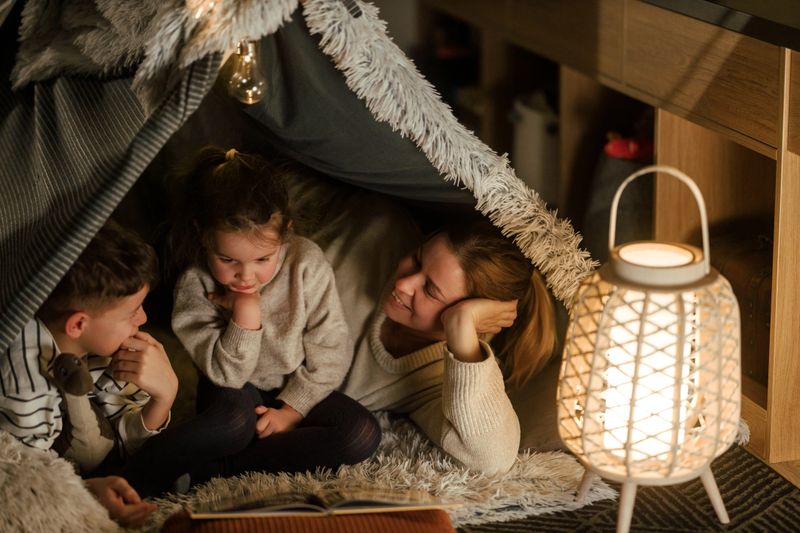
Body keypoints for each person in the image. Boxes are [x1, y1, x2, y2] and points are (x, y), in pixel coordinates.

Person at [119, 146, 380, 496]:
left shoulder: (307, 263)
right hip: (233, 388)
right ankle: (133, 476)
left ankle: (220, 469)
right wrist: (245, 312)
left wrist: (292, 409)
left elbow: (331, 346)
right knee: (233, 424)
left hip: (294, 383)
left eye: (262, 259)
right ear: (203, 236)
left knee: (361, 432)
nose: (246, 275)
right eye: (227, 259)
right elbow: (228, 374)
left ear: (285, 232)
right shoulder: (196, 283)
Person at [289, 176, 556, 475]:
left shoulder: (440, 377)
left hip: (275, 405)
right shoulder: (376, 228)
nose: (403, 284)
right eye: (417, 259)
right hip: (242, 347)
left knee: (355, 435)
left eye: (430, 290)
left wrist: (461, 328)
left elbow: (491, 459)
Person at [0, 221, 178, 526]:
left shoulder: (90, 344)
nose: (144, 318)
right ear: (79, 324)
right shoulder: (27, 392)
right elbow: (29, 481)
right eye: (132, 311)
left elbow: (122, 436)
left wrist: (165, 395)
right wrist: (88, 492)